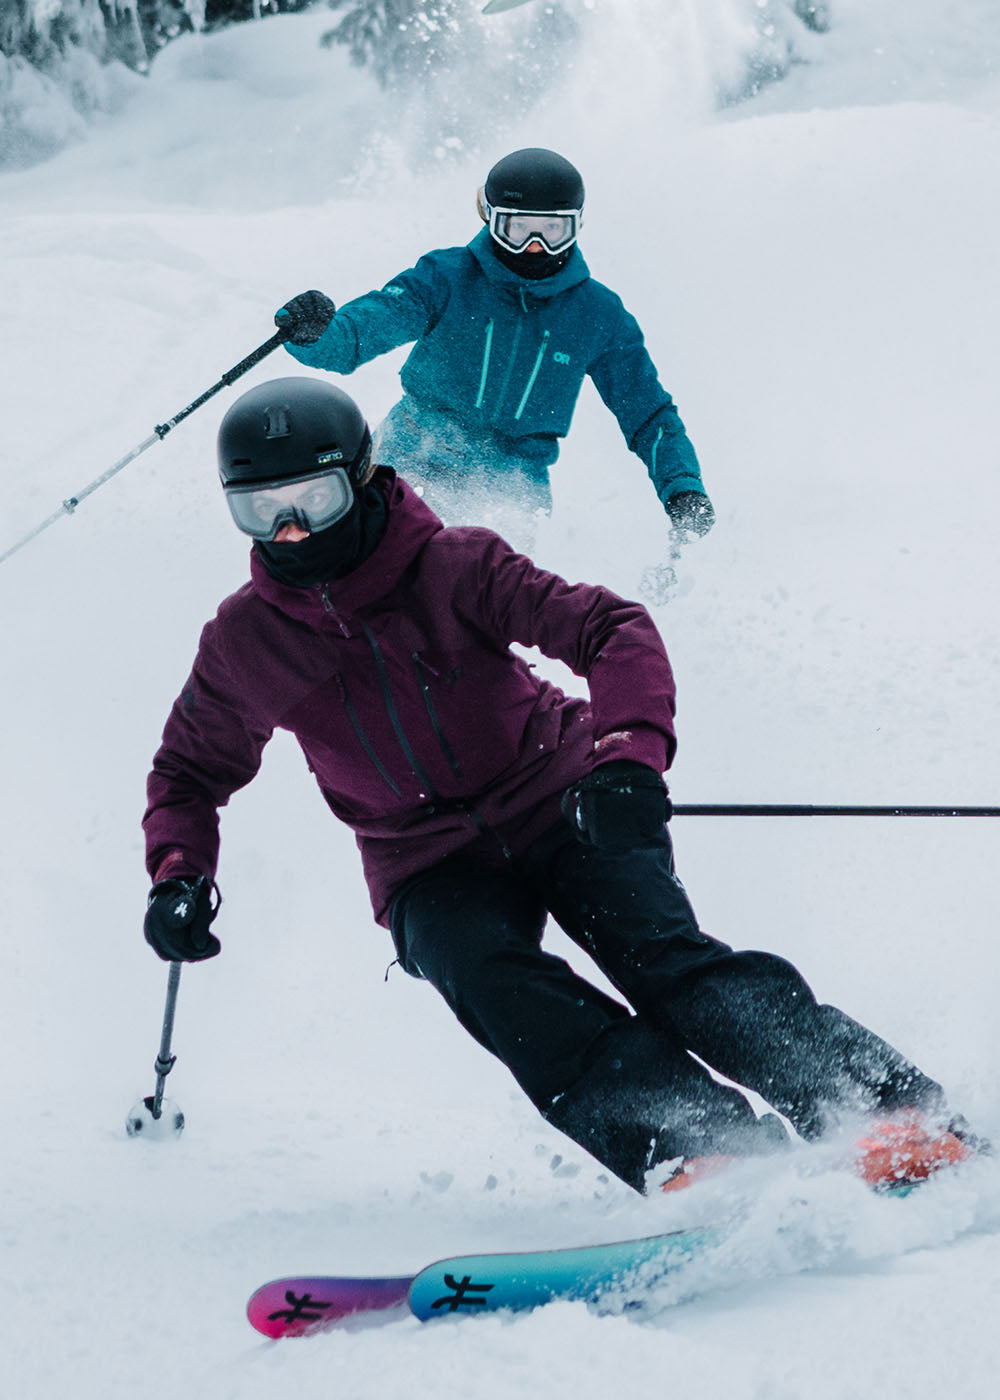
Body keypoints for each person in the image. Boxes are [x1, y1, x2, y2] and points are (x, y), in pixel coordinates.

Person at [142, 376, 971, 1194]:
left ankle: (880, 1108)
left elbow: (611, 629)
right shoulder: (246, 641)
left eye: (312, 500)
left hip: (565, 796)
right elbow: (189, 771)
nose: (289, 533)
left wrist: (626, 758)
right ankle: (700, 1144)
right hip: (423, 862)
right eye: (261, 510)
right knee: (499, 985)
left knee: (663, 958)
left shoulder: (451, 565)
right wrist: (178, 874)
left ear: (359, 480)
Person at [272, 147, 713, 560]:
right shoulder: (446, 277)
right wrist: (317, 334)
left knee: (473, 592)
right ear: (489, 217)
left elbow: (647, 412)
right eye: (517, 228)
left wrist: (681, 486)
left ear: (576, 226)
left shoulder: (596, 315)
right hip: (414, 452)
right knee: (378, 564)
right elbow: (359, 334)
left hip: (512, 485)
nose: (534, 246)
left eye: (552, 230)